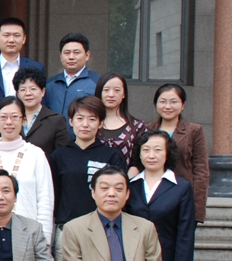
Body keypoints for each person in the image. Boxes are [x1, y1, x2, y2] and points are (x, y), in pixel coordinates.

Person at [128, 130, 197, 261]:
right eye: (146, 150)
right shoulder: (129, 186)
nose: (151, 155)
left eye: (158, 150)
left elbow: (185, 231)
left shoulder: (181, 187)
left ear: (167, 153)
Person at [0, 97, 54, 247]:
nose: (9, 122)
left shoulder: (36, 154)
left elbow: (45, 198)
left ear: (23, 120)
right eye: (3, 117)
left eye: (15, 117)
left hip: (29, 234)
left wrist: (45, 238)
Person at [50, 96, 127, 237]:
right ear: (71, 121)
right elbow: (53, 194)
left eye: (92, 119)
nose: (85, 124)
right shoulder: (59, 155)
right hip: (67, 229)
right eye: (80, 118)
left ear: (100, 123)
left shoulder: (111, 155)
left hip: (103, 229)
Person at [147, 83, 209, 224]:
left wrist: (197, 210)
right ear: (156, 104)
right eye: (163, 101)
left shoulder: (194, 131)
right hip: (151, 197)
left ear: (183, 105)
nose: (168, 106)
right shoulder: (146, 129)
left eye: (173, 102)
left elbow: (201, 171)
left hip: (181, 198)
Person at [0, 17, 46, 104]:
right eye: (6, 35)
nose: (11, 40)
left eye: (16, 35)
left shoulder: (36, 67)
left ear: (24, 39)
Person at [14, 67, 70, 160]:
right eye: (23, 90)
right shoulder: (10, 118)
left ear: (43, 92)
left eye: (33, 89)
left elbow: (62, 157)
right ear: (17, 93)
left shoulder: (56, 121)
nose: (28, 93)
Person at [44, 33, 100, 122]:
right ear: (60, 55)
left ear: (87, 55)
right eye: (67, 53)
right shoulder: (49, 84)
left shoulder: (97, 82)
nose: (71, 57)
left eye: (76, 52)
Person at [96, 73, 146, 169]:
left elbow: (138, 161)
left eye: (117, 90)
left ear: (124, 94)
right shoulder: (90, 124)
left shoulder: (137, 126)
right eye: (106, 90)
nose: (111, 95)